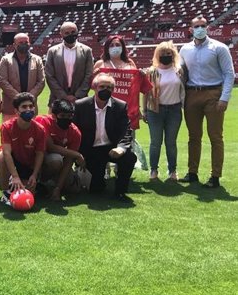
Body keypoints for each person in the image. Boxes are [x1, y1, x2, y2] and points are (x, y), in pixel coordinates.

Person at [179, 16, 235, 187]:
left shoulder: (219, 47)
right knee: (193, 136)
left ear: (208, 28)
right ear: (191, 29)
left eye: (203, 26)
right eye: (197, 26)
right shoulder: (184, 49)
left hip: (213, 93)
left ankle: (215, 176)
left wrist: (224, 98)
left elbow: (229, 73)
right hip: (192, 94)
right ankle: (192, 172)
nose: (200, 28)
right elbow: (180, 73)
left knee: (215, 136)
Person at [73, 73, 136, 202]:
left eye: (109, 87)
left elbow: (126, 130)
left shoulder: (120, 106)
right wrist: (78, 154)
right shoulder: (81, 105)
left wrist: (121, 148)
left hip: (111, 148)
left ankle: (120, 191)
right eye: (102, 86)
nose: (105, 90)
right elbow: (74, 132)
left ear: (113, 90)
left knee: (129, 158)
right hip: (91, 150)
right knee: (96, 189)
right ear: (94, 87)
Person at [93, 35, 151, 170]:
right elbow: (93, 85)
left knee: (125, 141)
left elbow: (135, 85)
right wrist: (94, 74)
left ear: (123, 47)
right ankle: (104, 168)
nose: (115, 48)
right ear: (107, 48)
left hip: (127, 110)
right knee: (104, 138)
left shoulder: (130, 63)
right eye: (111, 45)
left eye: (117, 45)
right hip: (105, 107)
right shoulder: (101, 64)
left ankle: (122, 169)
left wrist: (141, 75)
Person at [142, 41, 185, 181]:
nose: (166, 56)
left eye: (169, 53)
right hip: (155, 110)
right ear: (157, 55)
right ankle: (154, 170)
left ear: (173, 55)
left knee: (171, 142)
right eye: (163, 54)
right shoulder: (151, 71)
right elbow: (146, 93)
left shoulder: (179, 70)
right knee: (155, 142)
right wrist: (145, 110)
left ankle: (172, 170)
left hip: (174, 110)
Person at [0, 93, 47, 206]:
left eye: (30, 106)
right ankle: (5, 192)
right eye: (24, 107)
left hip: (28, 164)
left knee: (27, 191)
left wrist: (34, 175)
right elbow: (6, 153)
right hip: (13, 161)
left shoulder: (40, 129)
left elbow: (40, 154)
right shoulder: (6, 127)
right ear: (16, 111)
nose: (28, 109)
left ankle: (35, 183)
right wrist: (15, 176)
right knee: (2, 156)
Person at [34, 100, 83, 201]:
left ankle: (54, 184)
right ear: (53, 115)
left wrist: (58, 189)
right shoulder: (42, 121)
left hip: (59, 159)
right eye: (62, 116)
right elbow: (50, 147)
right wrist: (77, 155)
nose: (66, 119)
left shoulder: (75, 132)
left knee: (74, 188)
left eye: (69, 116)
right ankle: (40, 181)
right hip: (38, 156)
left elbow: (69, 161)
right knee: (55, 160)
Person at [0, 33, 45, 121]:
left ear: (29, 44)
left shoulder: (37, 59)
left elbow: (41, 81)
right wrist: (18, 97)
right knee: (9, 132)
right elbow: (2, 81)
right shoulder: (6, 59)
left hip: (30, 106)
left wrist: (29, 97)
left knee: (31, 133)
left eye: (26, 42)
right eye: (20, 42)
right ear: (14, 45)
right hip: (10, 107)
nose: (24, 44)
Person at [45, 21, 94, 106]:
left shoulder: (87, 51)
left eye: (73, 32)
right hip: (57, 99)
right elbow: (49, 76)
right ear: (61, 34)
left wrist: (78, 95)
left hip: (80, 100)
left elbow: (89, 75)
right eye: (67, 33)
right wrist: (63, 96)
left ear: (77, 32)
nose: (70, 34)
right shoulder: (52, 51)